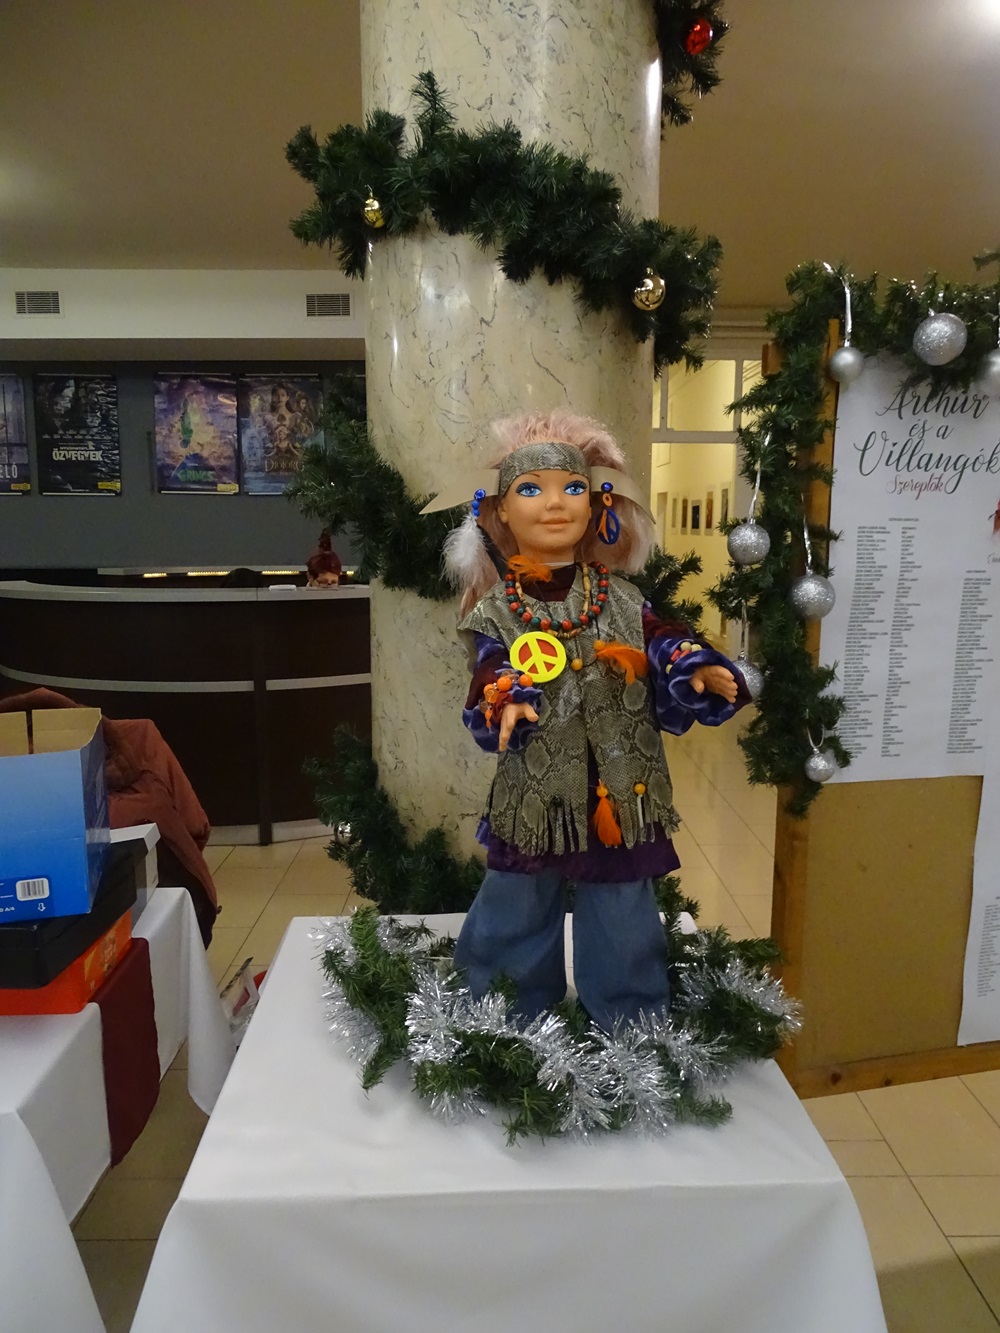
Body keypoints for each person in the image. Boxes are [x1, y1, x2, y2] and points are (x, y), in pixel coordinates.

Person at [422, 410, 749, 1032]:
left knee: (623, 908)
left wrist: (692, 664)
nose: (555, 504)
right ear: (500, 511)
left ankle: (631, 1026)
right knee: (517, 900)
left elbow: (661, 638)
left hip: (622, 788)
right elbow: (490, 668)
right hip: (536, 789)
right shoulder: (497, 610)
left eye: (572, 488)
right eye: (531, 489)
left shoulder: (622, 598)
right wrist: (504, 698)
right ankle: (500, 1017)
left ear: (598, 505)